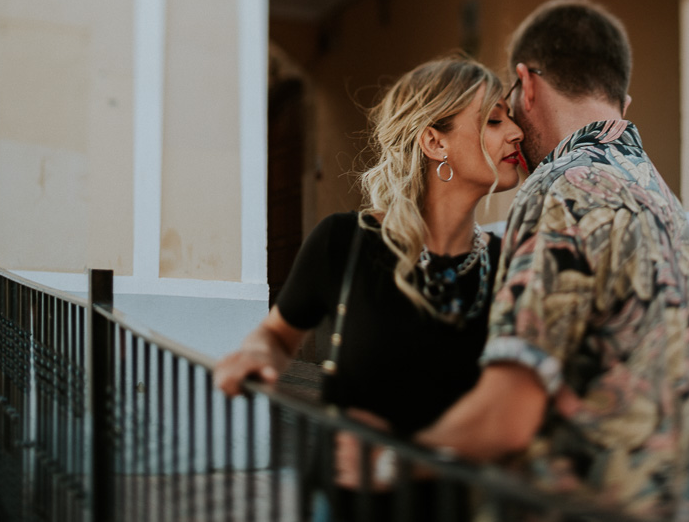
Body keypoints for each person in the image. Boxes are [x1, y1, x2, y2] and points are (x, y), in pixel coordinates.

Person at [416, 0, 689, 520]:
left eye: (508, 104)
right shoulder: (664, 198)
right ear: (623, 98)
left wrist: (388, 457)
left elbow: (507, 416)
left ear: (527, 84)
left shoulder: (561, 188)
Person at [213, 55, 525, 519]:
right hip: (344, 508)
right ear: (434, 142)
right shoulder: (344, 241)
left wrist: (396, 461)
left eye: (512, 118)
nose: (516, 132)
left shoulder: (508, 265)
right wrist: (258, 352)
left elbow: (510, 417)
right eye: (495, 119)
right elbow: (279, 334)